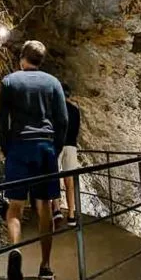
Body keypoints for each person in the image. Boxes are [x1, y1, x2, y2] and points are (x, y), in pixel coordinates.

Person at [0, 40, 68, 280]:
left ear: (22, 58)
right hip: (45, 148)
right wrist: (55, 148)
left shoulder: (10, 82)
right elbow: (62, 120)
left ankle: (15, 248)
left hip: (19, 147)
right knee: (45, 207)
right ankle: (45, 267)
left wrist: (7, 148)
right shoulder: (53, 83)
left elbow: (2, 121)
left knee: (15, 206)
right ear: (41, 60)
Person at [52, 83, 81, 228]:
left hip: (57, 146)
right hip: (71, 146)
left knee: (54, 177)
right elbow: (76, 131)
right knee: (69, 181)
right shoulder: (75, 110)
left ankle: (57, 209)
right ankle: (71, 215)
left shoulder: (54, 110)